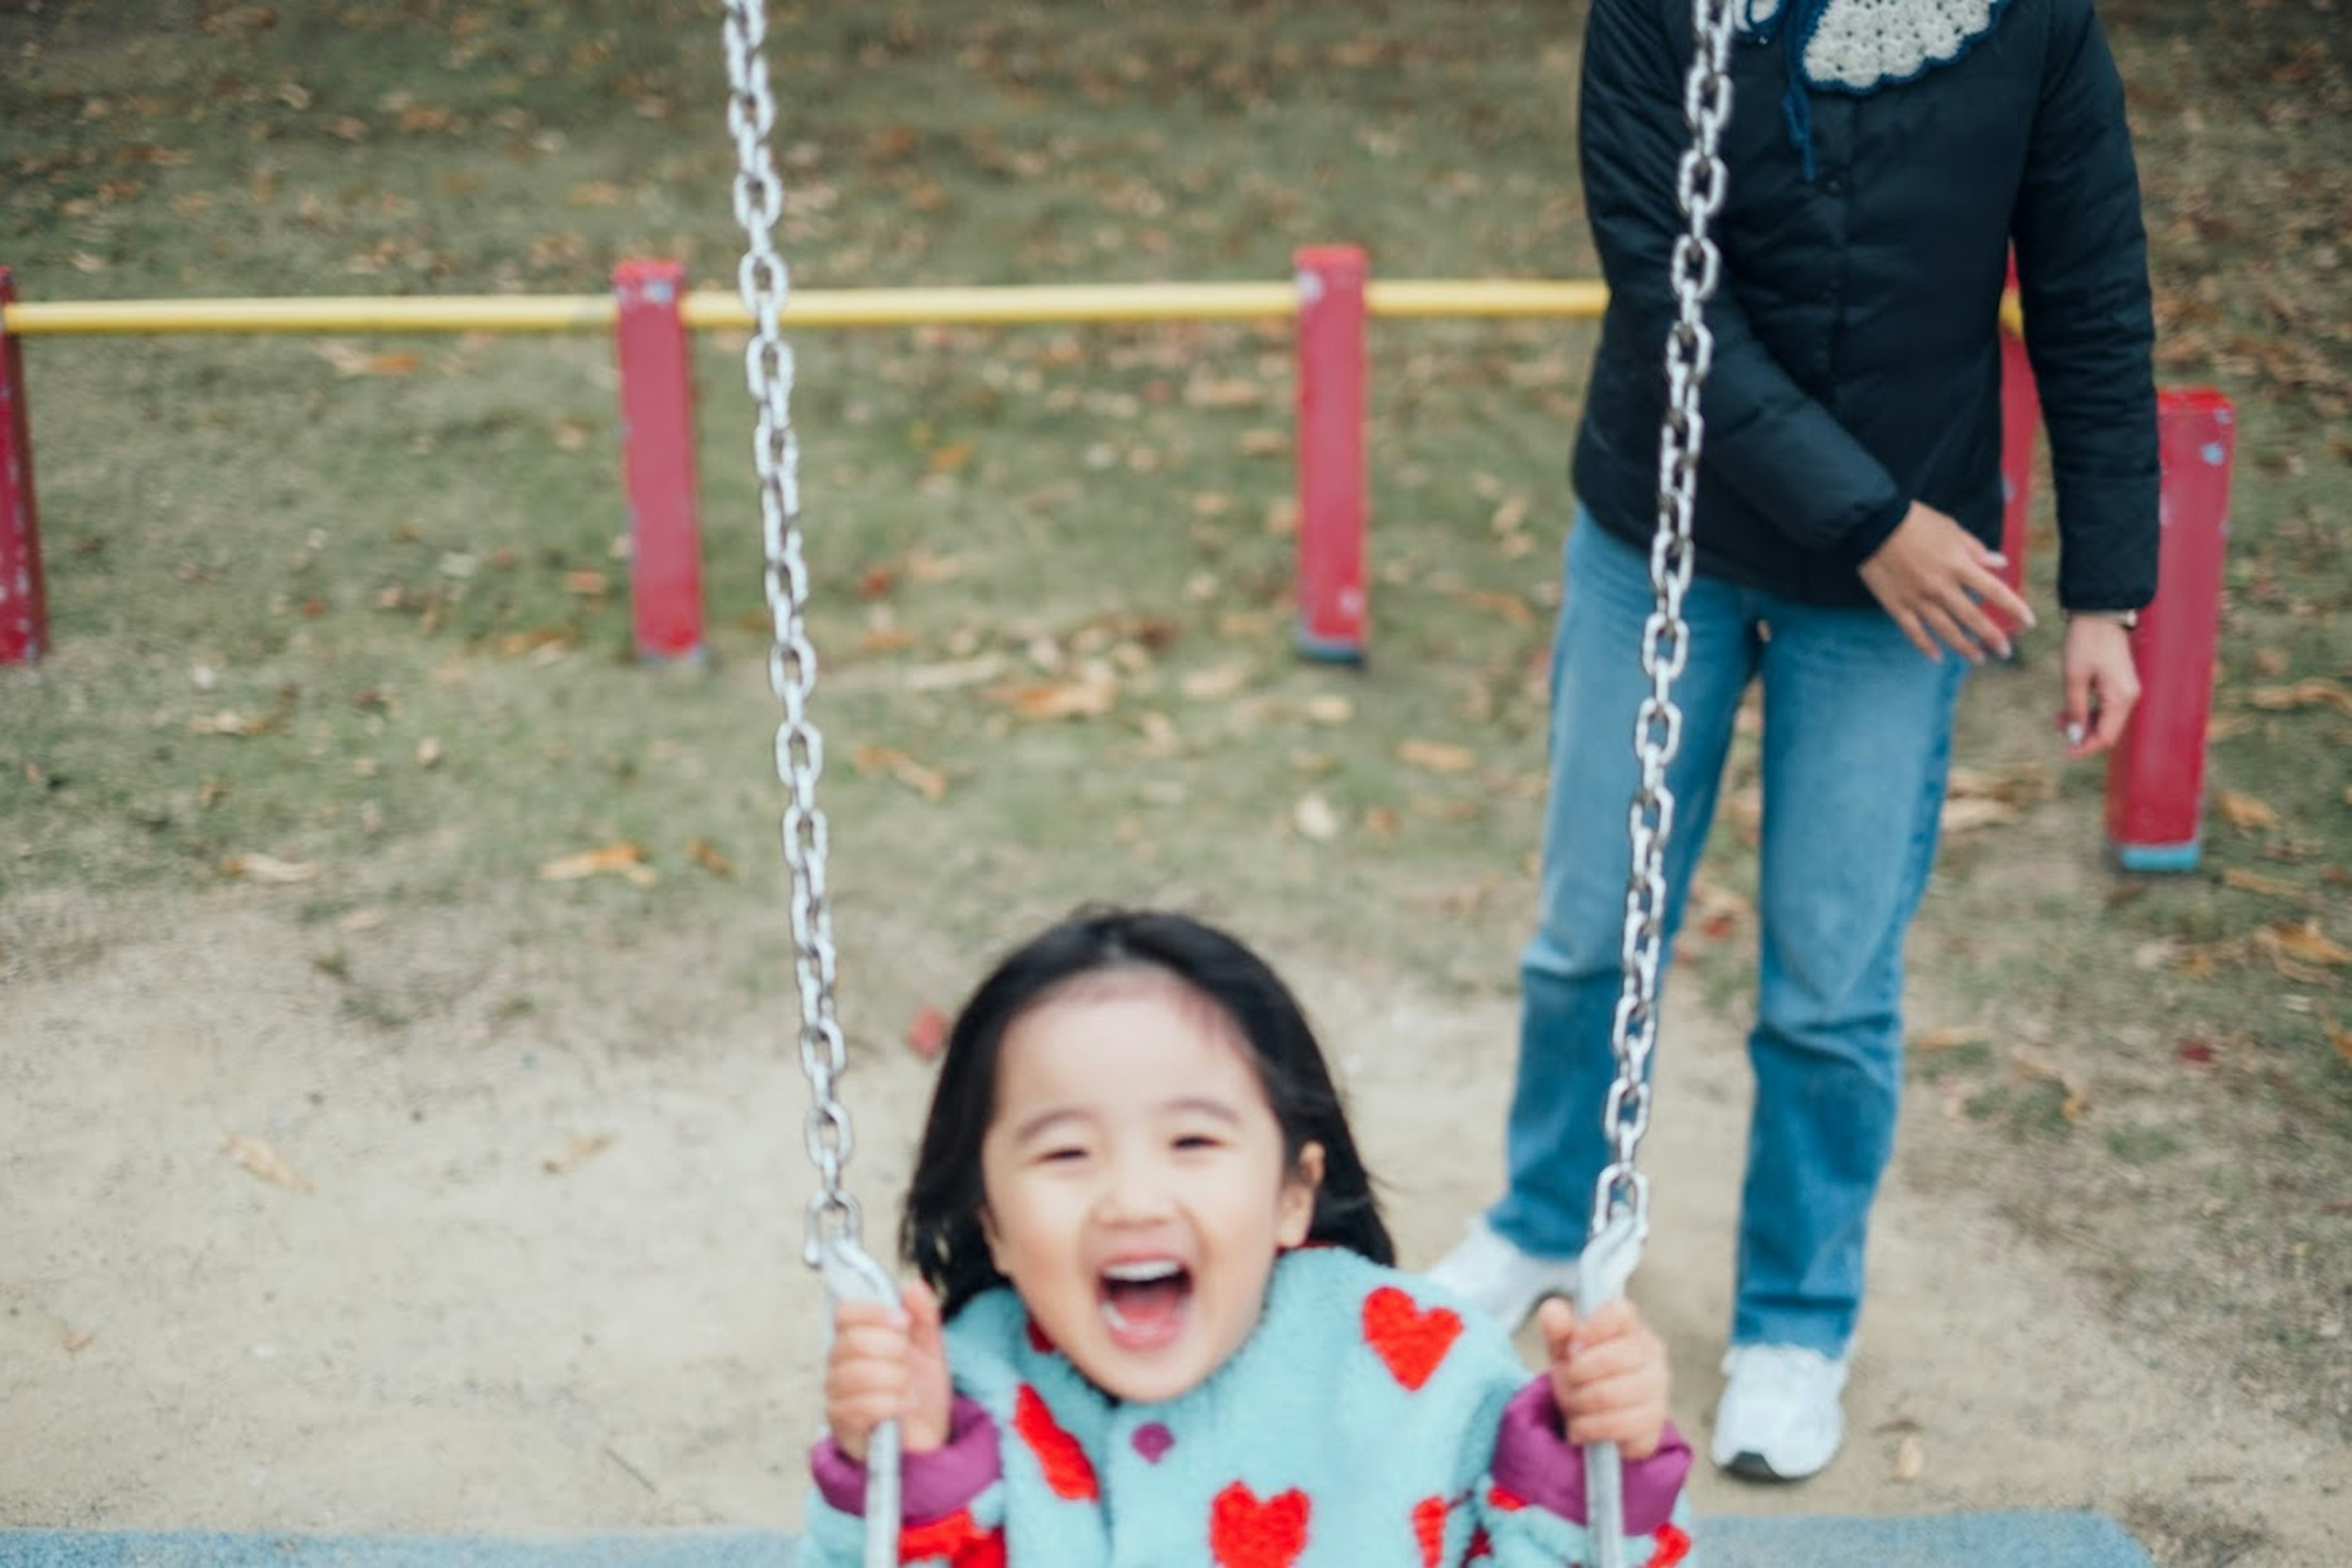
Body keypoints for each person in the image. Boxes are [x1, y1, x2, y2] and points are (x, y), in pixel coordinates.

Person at [1429, 0, 2159, 1485]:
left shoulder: (2029, 28)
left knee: (1833, 978)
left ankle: (1793, 1322)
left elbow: (2091, 289)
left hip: (1905, 583)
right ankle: (1536, 1219)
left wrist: (2110, 589)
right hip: (1665, 530)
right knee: (1588, 922)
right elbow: (1664, 286)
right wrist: (1868, 520)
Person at [804, 908, 1697, 1566]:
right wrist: (907, 1473)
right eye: (1068, 1151)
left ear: (1292, 1195)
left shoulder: (1425, 1377)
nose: (1132, 1198)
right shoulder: (966, 1398)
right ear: (991, 1223)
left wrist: (1597, 1470)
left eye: (1192, 1142)